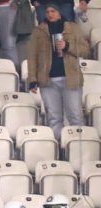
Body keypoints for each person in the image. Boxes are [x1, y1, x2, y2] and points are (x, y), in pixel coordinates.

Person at [27, 4, 89, 140]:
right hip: (47, 80)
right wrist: (32, 79)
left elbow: (85, 50)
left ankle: (78, 149)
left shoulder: (73, 28)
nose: (50, 14)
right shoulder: (38, 31)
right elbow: (32, 57)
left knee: (76, 116)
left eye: (53, 11)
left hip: (70, 78)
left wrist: (68, 46)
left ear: (59, 12)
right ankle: (59, 150)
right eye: (47, 11)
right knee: (54, 118)